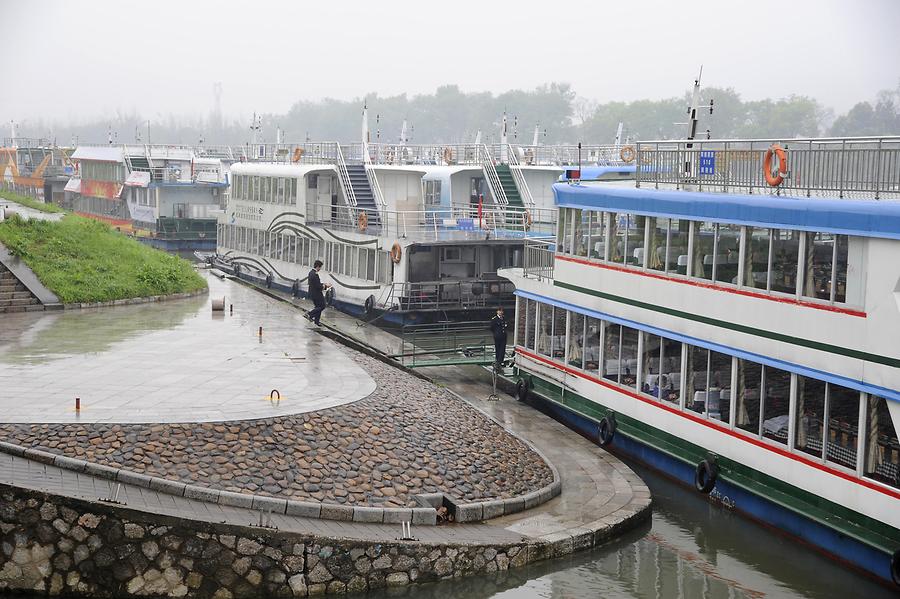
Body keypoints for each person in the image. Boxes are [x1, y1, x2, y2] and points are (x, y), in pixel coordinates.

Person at [305, 259, 331, 325]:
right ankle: (310, 314)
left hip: (312, 293)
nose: (320, 269)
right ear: (318, 267)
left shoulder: (311, 273)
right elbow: (318, 286)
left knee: (318, 307)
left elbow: (316, 283)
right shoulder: (315, 274)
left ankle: (316, 321)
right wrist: (325, 286)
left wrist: (323, 284)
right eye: (320, 267)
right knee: (322, 306)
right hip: (317, 294)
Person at [490, 306, 508, 371]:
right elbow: (491, 328)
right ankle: (498, 360)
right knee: (498, 348)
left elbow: (506, 326)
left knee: (503, 349)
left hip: (503, 336)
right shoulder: (494, 319)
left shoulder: (504, 318)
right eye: (499, 311)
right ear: (497, 311)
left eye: (502, 311)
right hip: (497, 336)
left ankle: (501, 361)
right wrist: (496, 333)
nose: (501, 312)